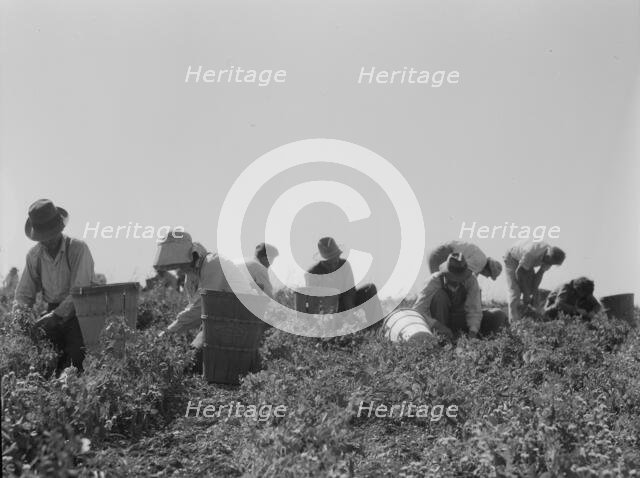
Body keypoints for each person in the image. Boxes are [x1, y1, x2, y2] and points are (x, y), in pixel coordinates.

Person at [13, 199, 96, 375]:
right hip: (52, 313)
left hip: (80, 314)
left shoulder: (78, 249)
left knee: (75, 361)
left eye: (51, 233)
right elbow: (23, 294)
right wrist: (21, 319)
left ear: (60, 228)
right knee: (42, 362)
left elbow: (79, 292)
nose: (48, 240)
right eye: (43, 236)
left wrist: (55, 316)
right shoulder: (34, 256)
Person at [154, 230, 251, 370]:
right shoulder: (190, 277)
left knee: (192, 363)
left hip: (243, 320)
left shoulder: (213, 264)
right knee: (189, 362)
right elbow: (196, 314)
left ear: (190, 255)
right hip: (219, 322)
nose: (177, 268)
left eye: (178, 263)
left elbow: (201, 308)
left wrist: (167, 334)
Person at [413, 252, 508, 339]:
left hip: (462, 321)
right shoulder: (434, 281)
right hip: (440, 322)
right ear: (446, 273)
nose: (457, 280)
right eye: (453, 277)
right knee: (440, 296)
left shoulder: (471, 280)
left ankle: (484, 342)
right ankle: (443, 341)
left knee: (498, 315)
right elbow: (418, 310)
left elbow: (474, 310)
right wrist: (437, 325)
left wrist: (473, 332)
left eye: (460, 277)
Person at [304, 237, 383, 329]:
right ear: (323, 259)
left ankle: (377, 328)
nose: (334, 260)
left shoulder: (344, 265)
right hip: (327, 309)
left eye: (336, 256)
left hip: (345, 303)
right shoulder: (312, 273)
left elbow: (350, 291)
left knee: (370, 289)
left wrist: (350, 314)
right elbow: (314, 301)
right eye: (330, 259)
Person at [504, 240, 566, 321]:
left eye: (552, 264)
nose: (549, 265)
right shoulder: (531, 254)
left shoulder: (550, 259)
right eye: (550, 263)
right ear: (547, 256)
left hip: (525, 262)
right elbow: (519, 273)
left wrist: (533, 291)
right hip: (512, 258)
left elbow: (539, 274)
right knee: (515, 292)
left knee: (534, 292)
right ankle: (514, 323)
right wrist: (526, 294)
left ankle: (535, 318)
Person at [428, 240, 502, 281]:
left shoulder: (480, 258)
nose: (487, 277)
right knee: (438, 286)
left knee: (437, 284)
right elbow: (463, 275)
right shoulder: (480, 263)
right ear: (488, 269)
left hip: (438, 252)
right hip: (443, 254)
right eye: (489, 275)